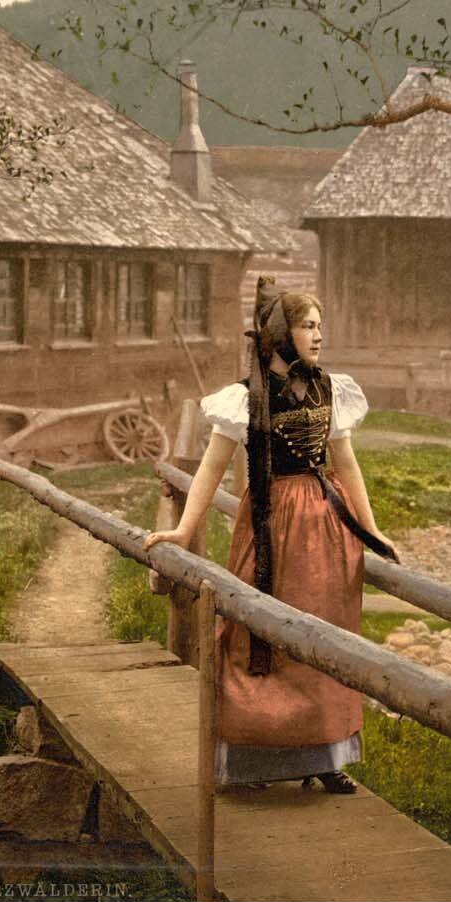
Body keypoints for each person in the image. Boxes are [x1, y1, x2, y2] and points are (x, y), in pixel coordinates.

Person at [145, 281, 398, 793]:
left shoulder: (331, 389)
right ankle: (252, 761)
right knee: (255, 636)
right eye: (308, 326)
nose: (318, 336)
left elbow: (346, 465)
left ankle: (324, 759)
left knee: (326, 637)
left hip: (327, 529)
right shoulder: (245, 398)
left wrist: (370, 531)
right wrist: (183, 529)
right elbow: (211, 471)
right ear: (282, 334)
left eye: (320, 327)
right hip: (271, 527)